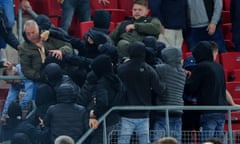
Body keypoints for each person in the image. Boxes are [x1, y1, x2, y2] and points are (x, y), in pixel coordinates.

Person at [117, 41, 165, 144]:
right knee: (144, 142)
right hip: (143, 114)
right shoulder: (149, 69)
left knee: (123, 141)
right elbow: (160, 89)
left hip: (126, 113)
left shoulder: (121, 69)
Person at [185, 41, 227, 142]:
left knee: (207, 141)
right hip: (221, 110)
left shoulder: (201, 67)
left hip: (208, 111)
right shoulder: (219, 66)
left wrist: (186, 78)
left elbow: (191, 88)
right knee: (217, 142)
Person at [78, 54, 124, 144]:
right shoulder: (116, 80)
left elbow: (103, 103)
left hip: (104, 121)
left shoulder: (102, 83)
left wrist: (93, 113)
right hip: (114, 119)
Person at [152, 47, 186, 143]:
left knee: (158, 140)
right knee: (175, 140)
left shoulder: (163, 69)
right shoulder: (182, 72)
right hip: (178, 110)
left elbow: (152, 68)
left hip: (163, 110)